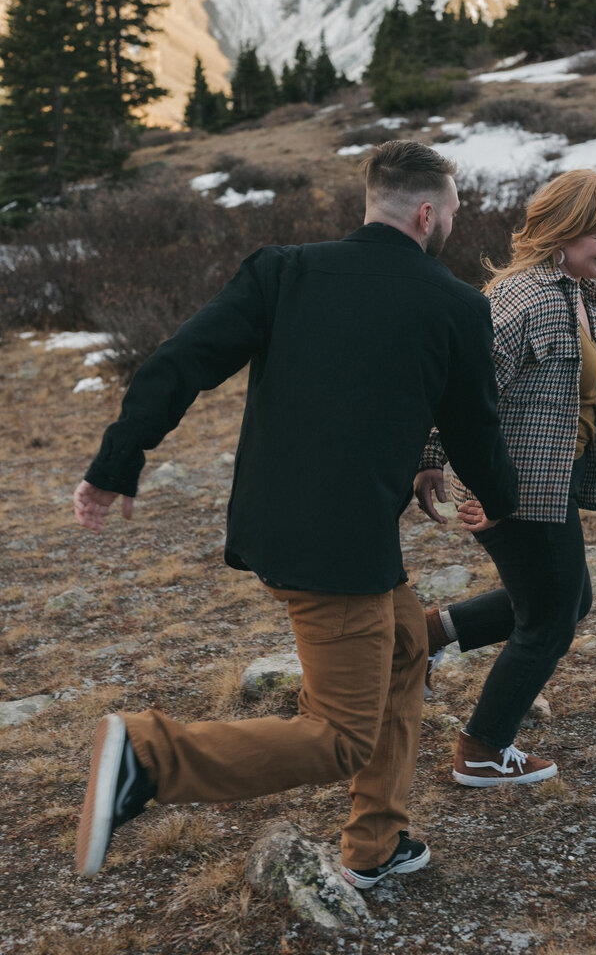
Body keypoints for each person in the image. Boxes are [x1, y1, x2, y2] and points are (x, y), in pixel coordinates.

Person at [73, 140, 518, 888]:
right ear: (426, 212)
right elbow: (477, 431)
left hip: (277, 529)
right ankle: (148, 756)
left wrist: (117, 464)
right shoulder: (457, 306)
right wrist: (507, 509)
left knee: (409, 645)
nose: (452, 225)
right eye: (453, 214)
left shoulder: (282, 271)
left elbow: (179, 363)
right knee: (340, 736)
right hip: (339, 555)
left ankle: (379, 843)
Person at [414, 168, 596, 788]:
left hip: (550, 480)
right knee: (549, 621)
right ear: (566, 231)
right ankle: (483, 749)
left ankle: (420, 638)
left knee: (569, 602)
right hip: (515, 487)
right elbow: (463, 388)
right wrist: (434, 460)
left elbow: (567, 371)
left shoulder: (572, 290)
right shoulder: (528, 297)